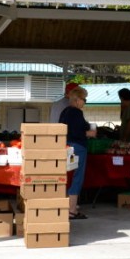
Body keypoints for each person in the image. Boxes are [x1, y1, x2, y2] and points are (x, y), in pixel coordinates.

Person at [58, 87, 96, 219]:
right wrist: (89, 133)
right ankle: (72, 210)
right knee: (77, 177)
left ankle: (66, 206)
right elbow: (77, 131)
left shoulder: (65, 112)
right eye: (84, 99)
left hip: (66, 146)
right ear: (78, 99)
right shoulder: (76, 113)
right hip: (78, 147)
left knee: (66, 176)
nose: (84, 102)